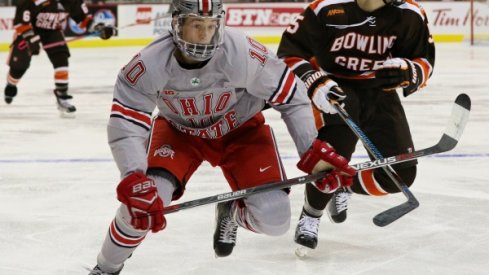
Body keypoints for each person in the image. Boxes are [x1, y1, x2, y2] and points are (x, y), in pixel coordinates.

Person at [88, 0, 355, 273]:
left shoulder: (242, 52)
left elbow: (291, 95)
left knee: (275, 220)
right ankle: (106, 267)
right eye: (196, 25)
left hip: (241, 131)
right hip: (180, 133)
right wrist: (133, 177)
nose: (205, 35)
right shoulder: (148, 65)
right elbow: (127, 124)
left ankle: (232, 212)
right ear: (177, 24)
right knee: (143, 203)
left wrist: (311, 152)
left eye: (211, 25)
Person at [277, 0, 435, 250]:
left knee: (400, 175)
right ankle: (311, 214)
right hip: (333, 89)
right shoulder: (326, 8)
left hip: (380, 92)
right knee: (333, 155)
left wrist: (410, 71)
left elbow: (424, 61)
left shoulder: (410, 14)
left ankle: (342, 185)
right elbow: (288, 54)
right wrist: (312, 79)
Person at [4, 0, 115, 116]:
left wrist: (99, 28)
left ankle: (62, 96)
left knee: (61, 60)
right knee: (19, 66)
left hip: (52, 31)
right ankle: (11, 83)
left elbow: (84, 19)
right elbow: (21, 22)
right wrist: (31, 38)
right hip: (29, 31)